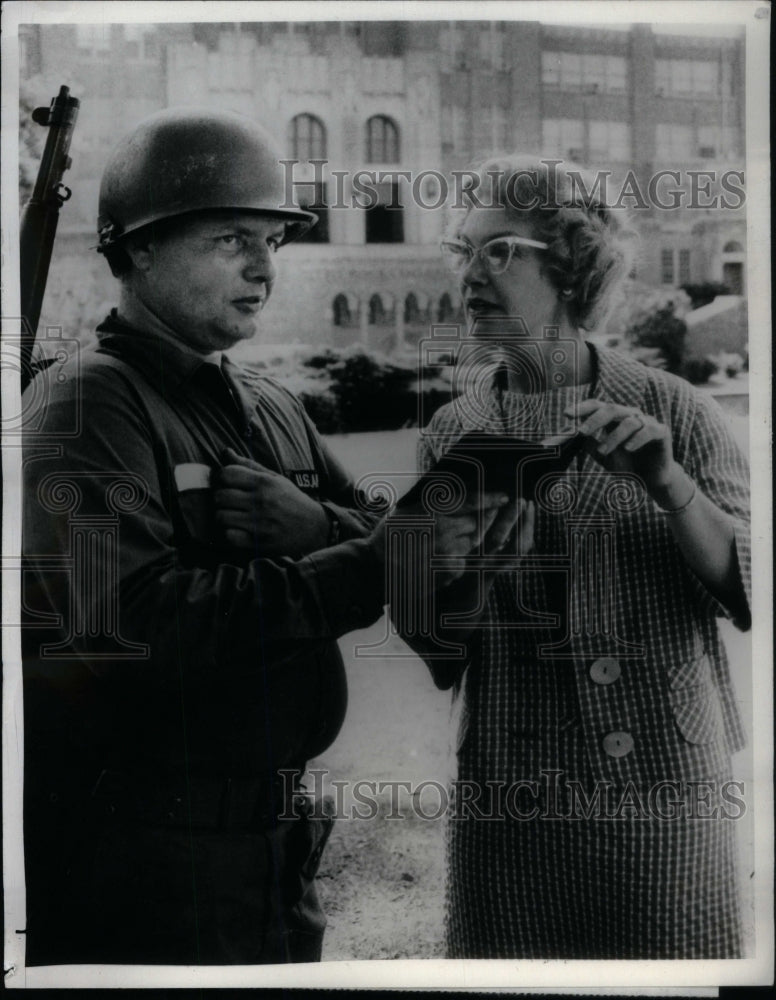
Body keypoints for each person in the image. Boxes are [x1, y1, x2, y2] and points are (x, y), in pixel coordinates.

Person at [20, 107, 516, 966]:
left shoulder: (269, 404)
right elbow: (131, 624)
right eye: (229, 241)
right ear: (138, 249)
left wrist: (319, 526)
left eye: (273, 243)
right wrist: (370, 558)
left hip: (277, 851)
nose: (262, 268)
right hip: (140, 864)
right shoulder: (86, 404)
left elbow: (378, 528)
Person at [398, 155, 751, 959]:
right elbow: (435, 649)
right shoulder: (450, 434)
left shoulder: (674, 411)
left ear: (570, 263)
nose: (470, 276)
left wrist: (670, 486)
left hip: (666, 780)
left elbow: (750, 587)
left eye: (498, 252)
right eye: (463, 251)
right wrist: (458, 580)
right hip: (515, 794)